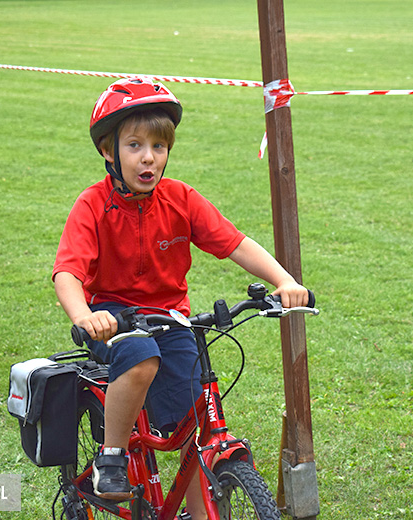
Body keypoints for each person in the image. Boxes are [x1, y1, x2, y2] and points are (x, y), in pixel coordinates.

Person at [52, 77, 309, 517]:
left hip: (169, 317)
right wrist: (84, 316)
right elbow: (68, 273)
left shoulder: (180, 198)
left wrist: (284, 280)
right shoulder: (92, 205)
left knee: (194, 422)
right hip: (112, 317)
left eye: (158, 146)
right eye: (134, 145)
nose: (148, 157)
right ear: (109, 151)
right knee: (140, 359)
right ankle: (111, 457)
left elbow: (235, 243)